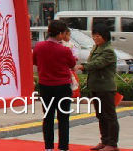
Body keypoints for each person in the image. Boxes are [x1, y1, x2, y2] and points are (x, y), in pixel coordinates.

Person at [32, 19, 76, 151]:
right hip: (62, 86)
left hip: (45, 85)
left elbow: (35, 61)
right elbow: (72, 64)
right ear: (61, 34)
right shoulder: (65, 50)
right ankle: (63, 147)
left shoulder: (39, 46)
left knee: (48, 117)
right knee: (63, 118)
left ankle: (48, 147)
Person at [77, 22, 119, 151]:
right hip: (96, 87)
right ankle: (104, 141)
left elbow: (97, 64)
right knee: (100, 115)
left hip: (105, 88)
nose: (95, 38)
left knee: (109, 116)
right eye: (94, 36)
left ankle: (112, 144)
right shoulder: (96, 48)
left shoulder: (108, 51)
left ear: (105, 36)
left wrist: (82, 66)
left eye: (98, 36)